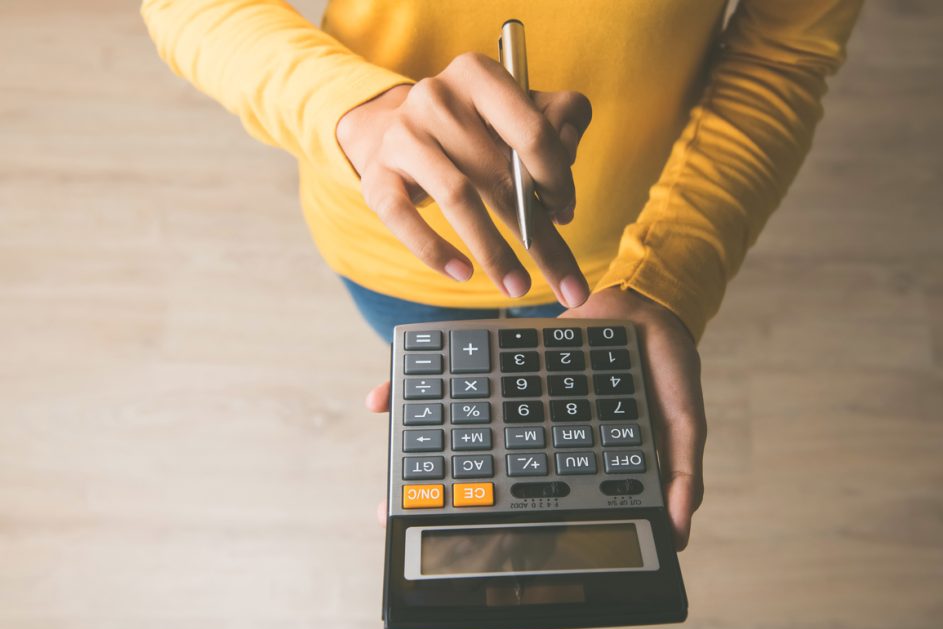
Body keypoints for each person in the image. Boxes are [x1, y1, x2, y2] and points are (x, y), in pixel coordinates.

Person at [141, 0, 862, 550]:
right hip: (400, 243)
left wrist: (670, 271)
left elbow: (783, 57)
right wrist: (355, 110)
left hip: (623, 258)